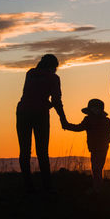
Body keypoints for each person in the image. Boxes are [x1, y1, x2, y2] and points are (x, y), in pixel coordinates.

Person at [16, 54, 67, 192]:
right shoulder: (53, 78)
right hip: (39, 114)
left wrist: (45, 103)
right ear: (53, 66)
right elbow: (56, 100)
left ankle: (28, 185)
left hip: (22, 112)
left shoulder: (30, 73)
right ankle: (47, 186)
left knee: (24, 150)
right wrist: (63, 119)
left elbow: (31, 94)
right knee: (42, 151)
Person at [63, 99, 110, 194]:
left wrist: (67, 126)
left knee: (96, 168)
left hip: (99, 147)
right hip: (102, 147)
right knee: (97, 168)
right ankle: (98, 187)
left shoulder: (89, 120)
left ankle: (97, 189)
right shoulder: (104, 120)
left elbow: (78, 128)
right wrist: (106, 143)